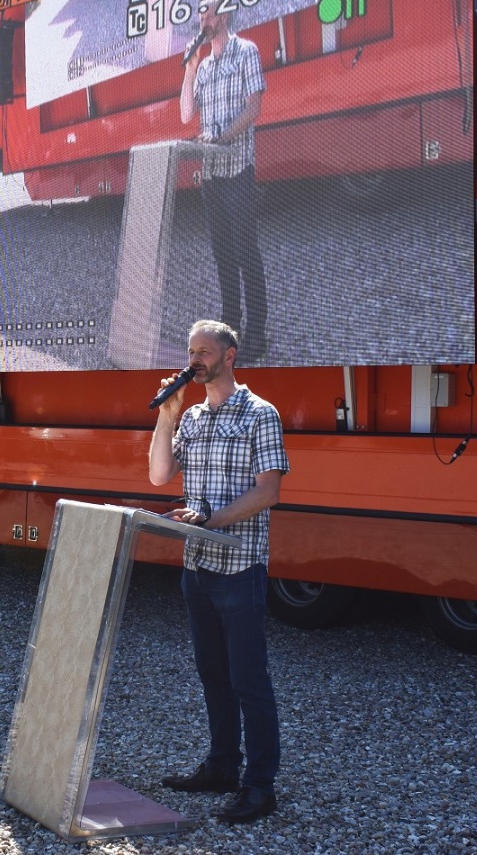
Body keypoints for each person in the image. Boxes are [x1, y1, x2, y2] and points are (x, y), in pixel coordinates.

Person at [147, 319, 288, 824]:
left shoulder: (260, 414)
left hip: (240, 568)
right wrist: (166, 417)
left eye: (203, 352)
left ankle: (259, 787)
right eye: (190, 352)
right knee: (212, 675)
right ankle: (223, 767)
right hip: (197, 566)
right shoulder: (193, 418)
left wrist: (211, 518)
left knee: (249, 680)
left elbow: (268, 492)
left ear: (230, 356)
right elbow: (160, 475)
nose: (193, 361)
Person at [179, 0, 270, 363]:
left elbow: (254, 108)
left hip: (237, 171)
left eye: (209, 12)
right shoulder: (203, 68)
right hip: (212, 176)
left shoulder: (246, 52)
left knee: (247, 253)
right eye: (201, 13)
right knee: (222, 256)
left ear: (225, 15)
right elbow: (187, 114)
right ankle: (231, 328)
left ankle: (258, 333)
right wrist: (188, 70)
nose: (203, 19)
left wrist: (221, 137)